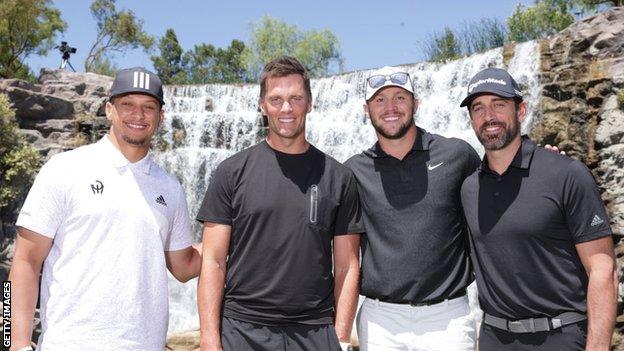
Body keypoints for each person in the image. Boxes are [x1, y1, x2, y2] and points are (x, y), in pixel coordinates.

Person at [8, 67, 202, 351]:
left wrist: (241, 241)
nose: (138, 115)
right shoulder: (64, 169)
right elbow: (24, 262)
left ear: (161, 117)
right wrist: (13, 344)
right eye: (128, 105)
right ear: (109, 109)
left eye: (149, 107)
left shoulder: (170, 188)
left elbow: (184, 267)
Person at [196, 56, 363, 351]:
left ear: (309, 102)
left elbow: (348, 265)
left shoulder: (339, 177)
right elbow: (213, 260)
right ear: (263, 105)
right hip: (243, 331)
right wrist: (210, 340)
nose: (286, 108)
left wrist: (340, 338)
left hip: (315, 332)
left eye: (296, 98)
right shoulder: (231, 172)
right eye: (276, 99)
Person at [460, 67, 617, 350]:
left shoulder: (567, 174)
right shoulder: (468, 188)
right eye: (478, 108)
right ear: (471, 119)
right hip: (496, 338)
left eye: (499, 104)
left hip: (560, 336)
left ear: (521, 110)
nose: (489, 116)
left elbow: (603, 269)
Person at [345, 66, 480, 350]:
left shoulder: (458, 155)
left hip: (448, 318)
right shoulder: (352, 172)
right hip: (380, 321)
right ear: (366, 109)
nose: (390, 107)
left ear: (415, 103)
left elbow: (500, 193)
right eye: (380, 100)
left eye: (400, 98)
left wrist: (543, 164)